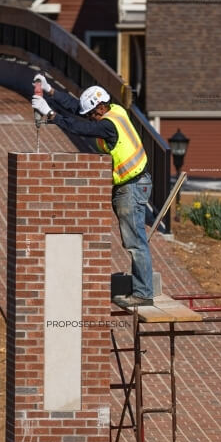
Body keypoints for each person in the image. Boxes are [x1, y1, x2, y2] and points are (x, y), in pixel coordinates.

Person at [31, 74, 154, 307]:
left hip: (132, 186)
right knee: (135, 238)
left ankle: (143, 293)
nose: (90, 118)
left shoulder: (108, 125)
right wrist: (51, 91)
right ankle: (143, 287)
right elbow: (78, 109)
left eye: (91, 115)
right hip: (133, 184)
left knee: (135, 242)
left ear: (99, 109)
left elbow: (81, 127)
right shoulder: (114, 109)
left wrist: (51, 115)